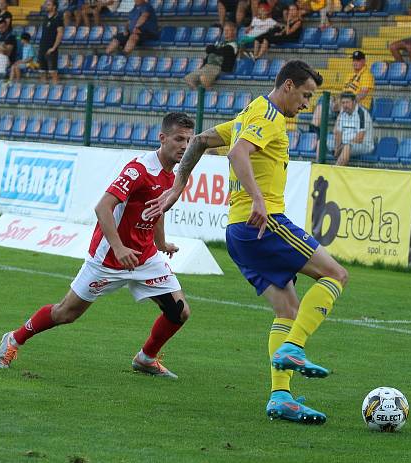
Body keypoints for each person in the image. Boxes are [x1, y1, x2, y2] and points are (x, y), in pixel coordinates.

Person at [149, 60, 348, 425]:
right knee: (336, 275)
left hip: (238, 234)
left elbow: (200, 141)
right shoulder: (267, 116)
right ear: (287, 85)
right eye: (305, 95)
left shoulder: (248, 114)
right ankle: (294, 347)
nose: (306, 105)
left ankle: (281, 397)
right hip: (265, 223)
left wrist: (178, 184)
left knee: (288, 310)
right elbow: (239, 153)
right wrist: (258, 198)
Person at [0, 113, 196, 378]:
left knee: (179, 312)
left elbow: (157, 208)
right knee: (66, 313)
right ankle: (14, 339)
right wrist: (119, 248)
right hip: (109, 258)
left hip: (145, 257)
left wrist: (160, 242)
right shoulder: (139, 170)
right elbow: (103, 207)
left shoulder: (177, 174)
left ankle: (146, 358)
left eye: (190, 141)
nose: (184, 145)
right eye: (179, 139)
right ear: (162, 138)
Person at [311, 50, 374, 134]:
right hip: (344, 103)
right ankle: (313, 133)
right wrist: (337, 101)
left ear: (363, 61)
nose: (355, 62)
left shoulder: (367, 75)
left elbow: (363, 93)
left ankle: (335, 135)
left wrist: (347, 102)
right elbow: (343, 93)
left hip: (360, 106)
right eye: (354, 60)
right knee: (323, 104)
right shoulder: (350, 75)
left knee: (344, 106)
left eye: (358, 60)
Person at [185, 22, 238, 90]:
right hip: (207, 66)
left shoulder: (234, 45)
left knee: (203, 78)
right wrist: (215, 49)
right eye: (225, 30)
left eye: (228, 30)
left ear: (234, 31)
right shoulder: (219, 43)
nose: (226, 32)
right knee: (189, 79)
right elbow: (208, 49)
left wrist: (214, 49)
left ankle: (209, 93)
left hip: (217, 67)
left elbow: (224, 51)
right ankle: (199, 94)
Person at [331, 92, 374, 166]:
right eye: (343, 103)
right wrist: (337, 147)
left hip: (363, 145)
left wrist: (342, 146)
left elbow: (359, 138)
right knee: (321, 143)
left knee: (347, 147)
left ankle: (335, 171)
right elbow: (339, 133)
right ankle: (319, 170)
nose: (345, 105)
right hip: (344, 144)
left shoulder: (362, 114)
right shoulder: (343, 113)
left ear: (354, 102)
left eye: (347, 102)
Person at [40, 0, 64, 83]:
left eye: (49, 5)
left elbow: (60, 34)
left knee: (53, 73)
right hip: (42, 47)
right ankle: (44, 94)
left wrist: (54, 48)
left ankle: (57, 93)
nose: (47, 6)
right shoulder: (46, 17)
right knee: (42, 73)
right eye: (46, 5)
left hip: (51, 48)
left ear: (54, 7)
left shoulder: (58, 18)